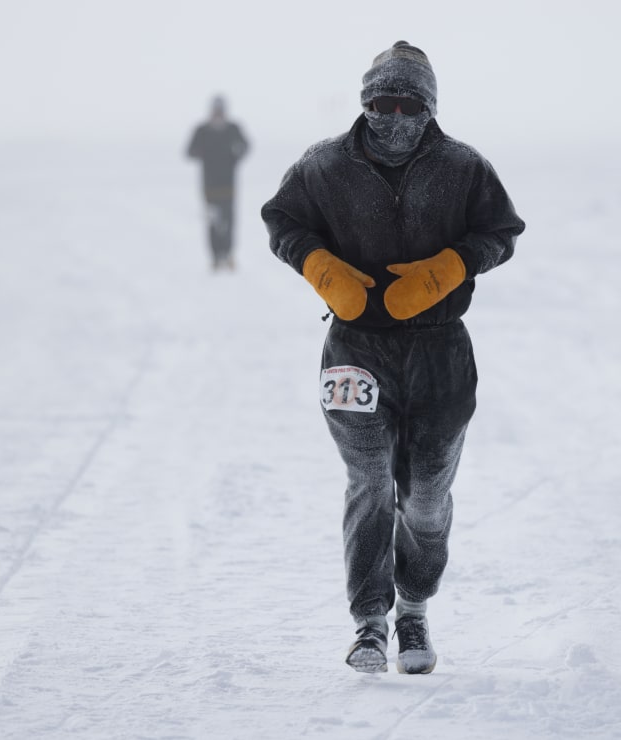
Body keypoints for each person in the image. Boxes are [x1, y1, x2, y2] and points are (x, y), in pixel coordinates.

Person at [261, 41, 525, 674]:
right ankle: (369, 623)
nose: (396, 117)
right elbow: (282, 220)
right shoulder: (323, 166)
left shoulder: (464, 167)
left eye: (410, 105)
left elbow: (501, 231)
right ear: (365, 102)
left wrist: (452, 266)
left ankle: (414, 611)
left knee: (427, 497)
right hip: (356, 349)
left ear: (430, 108)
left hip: (441, 351)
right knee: (372, 481)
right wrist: (319, 267)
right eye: (383, 102)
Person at [186, 95, 250, 271]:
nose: (218, 115)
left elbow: (246, 146)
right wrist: (200, 152)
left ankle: (228, 255)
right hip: (210, 187)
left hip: (229, 186)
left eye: (220, 111)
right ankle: (215, 257)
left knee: (229, 222)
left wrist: (236, 157)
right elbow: (189, 151)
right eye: (216, 111)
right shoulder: (202, 130)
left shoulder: (233, 129)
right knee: (213, 223)